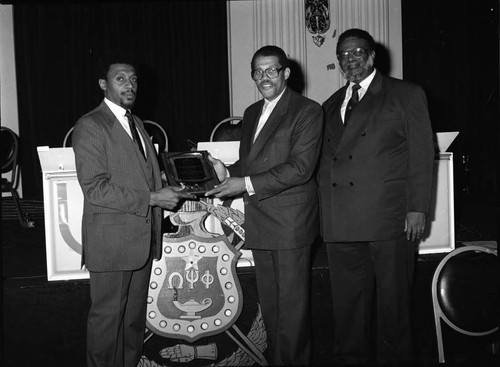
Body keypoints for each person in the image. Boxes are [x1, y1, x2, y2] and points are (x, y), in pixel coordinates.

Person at [317, 28, 435, 365]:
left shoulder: (405, 94)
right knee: (348, 310)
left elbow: (422, 154)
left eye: (357, 52)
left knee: (393, 309)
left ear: (372, 56)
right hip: (341, 223)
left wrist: (417, 208)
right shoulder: (328, 105)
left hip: (389, 219)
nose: (350, 59)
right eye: (343, 54)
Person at [72, 52, 195, 367]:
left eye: (134, 79)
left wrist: (177, 181)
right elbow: (96, 189)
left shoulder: (137, 123)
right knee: (107, 324)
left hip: (142, 240)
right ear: (103, 84)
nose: (130, 85)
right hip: (112, 243)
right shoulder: (90, 125)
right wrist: (154, 199)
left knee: (131, 325)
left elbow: (143, 176)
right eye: (120, 78)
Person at [206, 45, 324, 365]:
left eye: (272, 70)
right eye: (257, 72)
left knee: (292, 313)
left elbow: (300, 168)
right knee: (271, 311)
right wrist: (224, 172)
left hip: (290, 224)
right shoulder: (252, 113)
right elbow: (250, 164)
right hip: (261, 221)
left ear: (287, 73)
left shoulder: (307, 110)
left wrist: (241, 184)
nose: (264, 77)